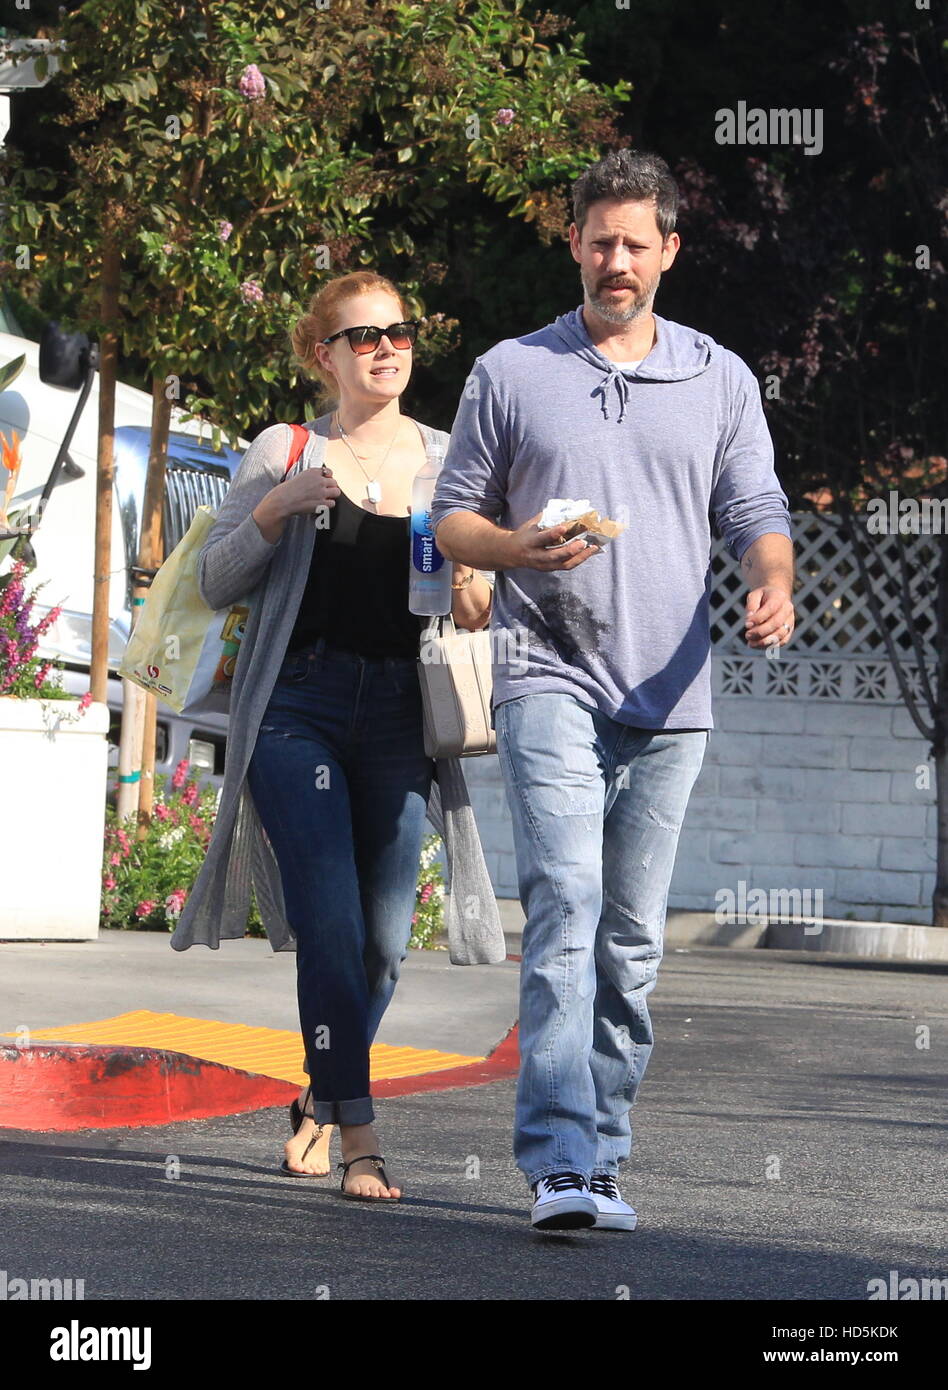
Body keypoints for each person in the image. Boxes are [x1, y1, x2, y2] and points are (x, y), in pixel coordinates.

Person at [431, 149, 795, 1231]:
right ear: (574, 243)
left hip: (670, 697)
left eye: (637, 241)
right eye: (599, 239)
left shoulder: (718, 378)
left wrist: (770, 586)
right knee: (566, 907)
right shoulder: (512, 371)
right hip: (548, 671)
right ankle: (555, 1160)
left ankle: (603, 1155)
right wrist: (513, 550)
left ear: (669, 251)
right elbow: (454, 515)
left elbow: (758, 513)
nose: (616, 259)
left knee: (631, 940)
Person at [170, 271, 499, 1200]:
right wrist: (278, 507)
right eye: (362, 336)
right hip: (296, 708)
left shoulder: (446, 457)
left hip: (401, 709)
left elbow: (473, 607)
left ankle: (320, 1096)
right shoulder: (285, 448)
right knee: (331, 921)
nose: (386, 348)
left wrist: (475, 584)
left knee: (385, 942)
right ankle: (360, 1137)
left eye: (398, 332)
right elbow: (216, 582)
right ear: (324, 354)